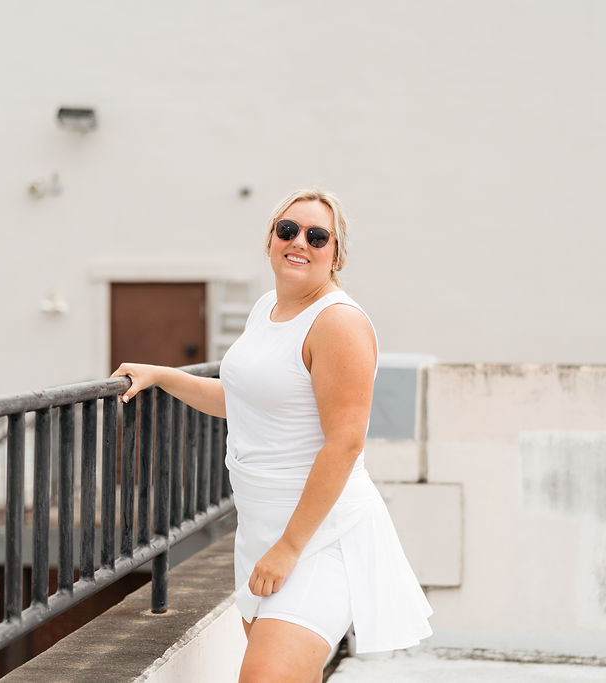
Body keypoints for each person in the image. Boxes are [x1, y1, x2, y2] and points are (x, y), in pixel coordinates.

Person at [111, 189, 431, 682]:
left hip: (318, 540)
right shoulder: (267, 308)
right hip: (260, 532)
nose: (299, 241)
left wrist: (287, 548)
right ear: (270, 240)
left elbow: (344, 443)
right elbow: (243, 403)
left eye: (316, 235)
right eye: (288, 230)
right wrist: (166, 376)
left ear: (336, 254)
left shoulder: (337, 323)